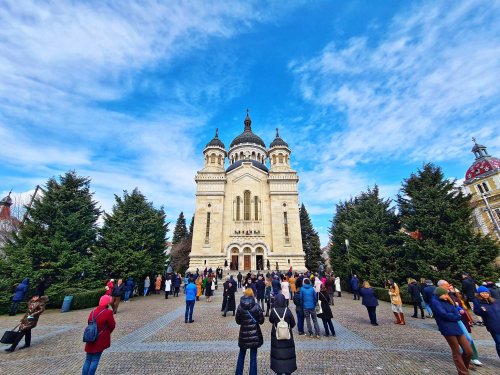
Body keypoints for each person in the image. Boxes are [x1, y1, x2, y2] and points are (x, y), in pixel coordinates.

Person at [432, 287, 473, 374]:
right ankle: (463, 372)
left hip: (456, 327)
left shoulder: (449, 301)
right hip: (447, 328)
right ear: (439, 294)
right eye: (444, 294)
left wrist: (454, 316)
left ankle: (464, 368)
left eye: (446, 294)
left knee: (468, 351)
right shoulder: (435, 302)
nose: (446, 296)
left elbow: (455, 312)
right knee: (456, 352)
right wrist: (455, 317)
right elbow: (443, 314)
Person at [81, 295, 115, 375]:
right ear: (107, 303)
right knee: (95, 360)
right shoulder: (108, 312)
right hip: (100, 339)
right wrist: (106, 333)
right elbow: (112, 325)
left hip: (91, 337)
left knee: (88, 359)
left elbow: (89, 323)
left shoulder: (92, 312)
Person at [235, 288, 264, 375]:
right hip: (254, 334)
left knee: (241, 355)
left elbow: (238, 321)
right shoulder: (256, 306)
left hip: (243, 334)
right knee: (253, 356)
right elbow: (261, 321)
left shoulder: (240, 306)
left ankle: (238, 373)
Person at [269, 294, 297, 374]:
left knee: (278, 357)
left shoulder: (273, 311)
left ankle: (279, 372)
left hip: (277, 337)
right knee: (288, 357)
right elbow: (293, 323)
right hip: (287, 337)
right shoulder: (287, 310)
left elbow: (271, 320)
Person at [473, 286, 500, 358]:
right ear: (479, 294)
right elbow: (476, 311)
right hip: (492, 325)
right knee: (499, 342)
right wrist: (482, 310)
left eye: (486, 293)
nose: (485, 294)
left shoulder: (495, 301)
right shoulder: (478, 302)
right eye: (483, 293)